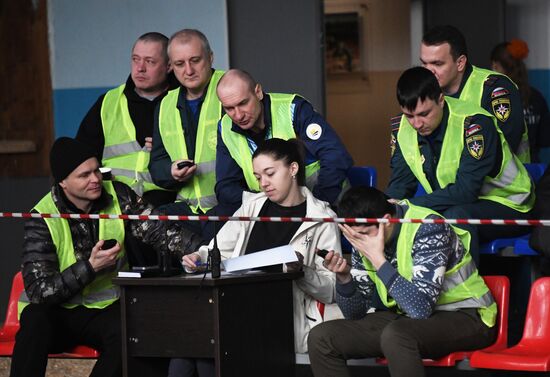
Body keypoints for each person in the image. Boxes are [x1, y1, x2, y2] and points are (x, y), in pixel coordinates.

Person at [10, 137, 203, 377]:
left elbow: (159, 231)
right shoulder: (41, 217)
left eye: (96, 171)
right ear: (63, 182)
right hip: (56, 312)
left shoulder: (118, 194)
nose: (95, 180)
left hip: (105, 309)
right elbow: (40, 291)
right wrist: (90, 267)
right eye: (84, 175)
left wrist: (203, 250)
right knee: (34, 322)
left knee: (132, 336)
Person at [175, 138, 341, 376]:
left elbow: (331, 290)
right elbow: (217, 249)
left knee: (206, 352)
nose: (264, 183)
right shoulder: (251, 207)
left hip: (281, 316)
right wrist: (198, 259)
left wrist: (300, 271)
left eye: (270, 174)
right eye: (258, 177)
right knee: (186, 350)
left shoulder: (322, 218)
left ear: (293, 169)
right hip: (236, 305)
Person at [308, 186, 497, 377]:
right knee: (322, 337)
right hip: (405, 318)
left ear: (387, 222)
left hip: (467, 315)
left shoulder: (429, 226)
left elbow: (420, 308)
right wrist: (344, 278)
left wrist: (379, 260)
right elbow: (355, 313)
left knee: (398, 335)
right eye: (353, 237)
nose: (359, 242)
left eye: (364, 234)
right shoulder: (362, 234)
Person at [386, 67, 534, 263]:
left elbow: (466, 192)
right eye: (409, 115)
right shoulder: (402, 128)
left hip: (511, 203)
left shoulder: (474, 124)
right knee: (391, 220)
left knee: (455, 215)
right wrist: (383, 210)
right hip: (457, 204)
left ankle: (467, 290)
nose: (417, 124)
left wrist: (406, 206)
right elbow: (400, 186)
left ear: (441, 99)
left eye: (424, 114)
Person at [215, 69, 353, 213]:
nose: (238, 115)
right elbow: (225, 187)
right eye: (229, 108)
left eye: (243, 103)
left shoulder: (293, 109)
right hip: (273, 215)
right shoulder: (224, 128)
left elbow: (335, 157)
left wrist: (315, 206)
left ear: (258, 92)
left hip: (329, 205)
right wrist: (264, 206)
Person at [76, 32, 177, 207]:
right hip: (113, 206)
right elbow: (80, 159)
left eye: (150, 61)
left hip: (167, 207)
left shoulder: (183, 102)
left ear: (169, 66)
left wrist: (169, 148)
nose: (140, 68)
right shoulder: (108, 102)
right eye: (135, 59)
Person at [149, 29, 226, 240]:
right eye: (180, 64)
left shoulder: (231, 89)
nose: (189, 70)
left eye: (195, 60)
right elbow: (156, 164)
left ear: (210, 58)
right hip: (188, 209)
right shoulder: (165, 104)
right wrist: (170, 171)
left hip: (230, 208)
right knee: (146, 226)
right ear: (170, 67)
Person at [421, 25, 530, 162]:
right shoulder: (425, 92)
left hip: (505, 182)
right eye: (424, 64)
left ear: (460, 63)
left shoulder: (495, 89)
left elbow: (502, 150)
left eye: (437, 64)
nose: (428, 71)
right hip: (454, 182)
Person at [490, 39, 550, 162]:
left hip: (504, 171)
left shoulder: (494, 98)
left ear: (495, 65)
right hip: (531, 167)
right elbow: (545, 139)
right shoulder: (537, 97)